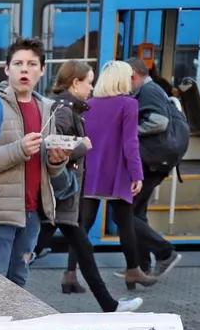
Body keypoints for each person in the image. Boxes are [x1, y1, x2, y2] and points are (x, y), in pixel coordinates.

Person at [0, 38, 72, 286]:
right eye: (18, 63)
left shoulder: (47, 110)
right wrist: (18, 149)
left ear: (42, 70)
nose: (24, 69)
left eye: (32, 64)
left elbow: (46, 169)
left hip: (31, 214)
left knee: (18, 284)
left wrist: (56, 161)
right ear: (7, 68)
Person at [39, 61, 142, 313]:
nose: (91, 87)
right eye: (88, 81)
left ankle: (108, 303)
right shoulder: (69, 109)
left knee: (80, 242)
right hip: (68, 188)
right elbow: (55, 151)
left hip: (76, 184)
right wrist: (136, 172)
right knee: (34, 245)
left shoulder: (83, 106)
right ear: (76, 82)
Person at [78, 61, 159, 291]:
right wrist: (137, 174)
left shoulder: (88, 105)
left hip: (91, 172)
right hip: (117, 173)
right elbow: (130, 143)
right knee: (125, 223)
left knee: (82, 224)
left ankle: (71, 272)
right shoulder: (128, 104)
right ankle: (133, 271)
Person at [125, 58, 184, 277]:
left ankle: (164, 252)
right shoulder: (152, 90)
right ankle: (143, 266)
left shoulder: (149, 90)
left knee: (123, 215)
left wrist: (129, 132)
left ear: (133, 75)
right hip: (156, 161)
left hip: (151, 163)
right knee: (137, 214)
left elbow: (159, 122)